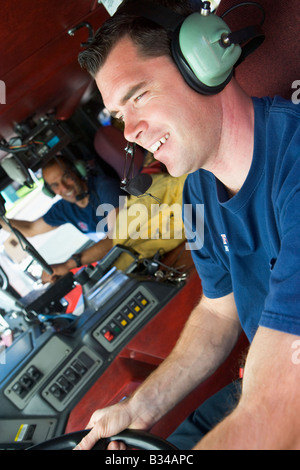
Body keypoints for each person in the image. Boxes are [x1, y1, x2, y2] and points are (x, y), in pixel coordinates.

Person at [73, 0, 300, 450]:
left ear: (203, 63)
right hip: (251, 390)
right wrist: (140, 408)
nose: (131, 132)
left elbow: (278, 414)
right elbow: (218, 311)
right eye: (119, 117)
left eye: (138, 95)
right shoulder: (198, 190)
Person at [2, 156, 125, 280]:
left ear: (77, 171)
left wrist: (68, 265)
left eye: (66, 177)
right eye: (55, 185)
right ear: (50, 191)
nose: (65, 188)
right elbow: (30, 229)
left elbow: (117, 238)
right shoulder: (64, 208)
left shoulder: (106, 188)